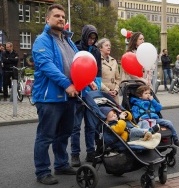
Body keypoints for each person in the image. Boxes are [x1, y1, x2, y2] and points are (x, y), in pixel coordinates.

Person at [32, 4, 84, 185]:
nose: (61, 19)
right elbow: (48, 67)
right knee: (45, 136)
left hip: (69, 96)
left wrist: (88, 79)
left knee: (64, 134)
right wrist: (67, 84)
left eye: (63, 16)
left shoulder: (67, 40)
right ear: (48, 19)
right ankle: (42, 171)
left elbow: (79, 62)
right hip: (49, 97)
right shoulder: (42, 40)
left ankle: (61, 164)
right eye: (56, 16)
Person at [71, 24, 102, 167]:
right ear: (85, 36)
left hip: (91, 93)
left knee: (91, 126)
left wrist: (97, 88)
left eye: (94, 38)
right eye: (90, 37)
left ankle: (91, 152)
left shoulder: (96, 51)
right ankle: (75, 154)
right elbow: (75, 70)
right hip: (78, 93)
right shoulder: (76, 48)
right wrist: (86, 83)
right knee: (75, 126)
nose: (91, 41)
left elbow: (98, 71)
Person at [97, 38, 121, 104]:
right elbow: (96, 79)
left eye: (109, 46)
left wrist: (116, 90)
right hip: (103, 93)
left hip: (114, 95)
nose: (109, 47)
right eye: (106, 45)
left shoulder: (114, 61)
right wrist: (108, 90)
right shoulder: (97, 60)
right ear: (100, 48)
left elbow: (118, 78)